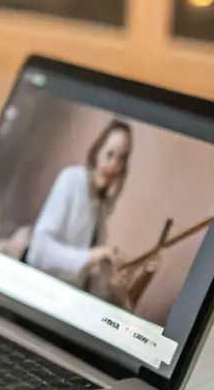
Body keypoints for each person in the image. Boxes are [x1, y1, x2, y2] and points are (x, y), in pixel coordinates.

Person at [24, 119, 135, 288]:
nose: (114, 164)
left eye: (122, 159)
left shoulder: (101, 207)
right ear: (97, 151)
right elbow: (38, 251)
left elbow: (85, 276)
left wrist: (110, 274)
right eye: (110, 154)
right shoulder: (71, 179)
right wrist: (91, 257)